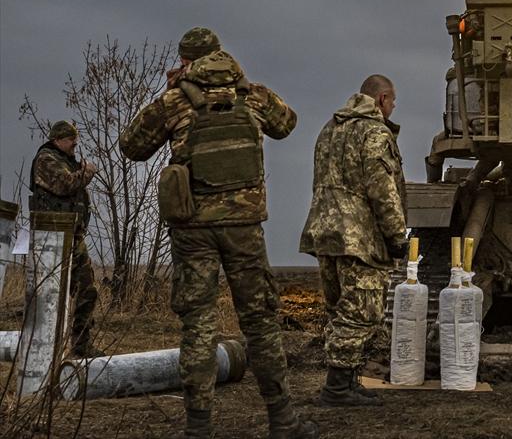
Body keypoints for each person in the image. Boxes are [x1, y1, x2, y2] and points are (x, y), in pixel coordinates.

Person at [120, 27, 317, 439]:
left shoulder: (175, 101)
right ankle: (282, 419)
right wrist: (248, 85)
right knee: (260, 323)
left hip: (194, 231)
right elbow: (287, 123)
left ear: (187, 60)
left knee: (199, 325)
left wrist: (170, 92)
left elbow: (132, 145)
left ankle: (198, 428)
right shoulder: (250, 97)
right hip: (245, 229)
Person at [299, 74, 408, 407]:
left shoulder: (329, 130)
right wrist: (396, 235)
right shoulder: (374, 133)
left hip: (325, 232)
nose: (392, 109)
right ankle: (337, 389)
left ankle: (348, 381)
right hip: (358, 237)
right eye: (392, 102)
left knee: (339, 309)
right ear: (382, 99)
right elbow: (382, 189)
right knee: (361, 312)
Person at [29, 119, 99, 357]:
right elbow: (66, 184)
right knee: (49, 297)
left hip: (73, 235)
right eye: (71, 140)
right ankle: (41, 351)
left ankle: (81, 345)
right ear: (57, 139)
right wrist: (87, 172)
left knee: (87, 289)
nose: (74, 145)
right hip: (52, 239)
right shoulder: (46, 160)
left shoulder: (66, 161)